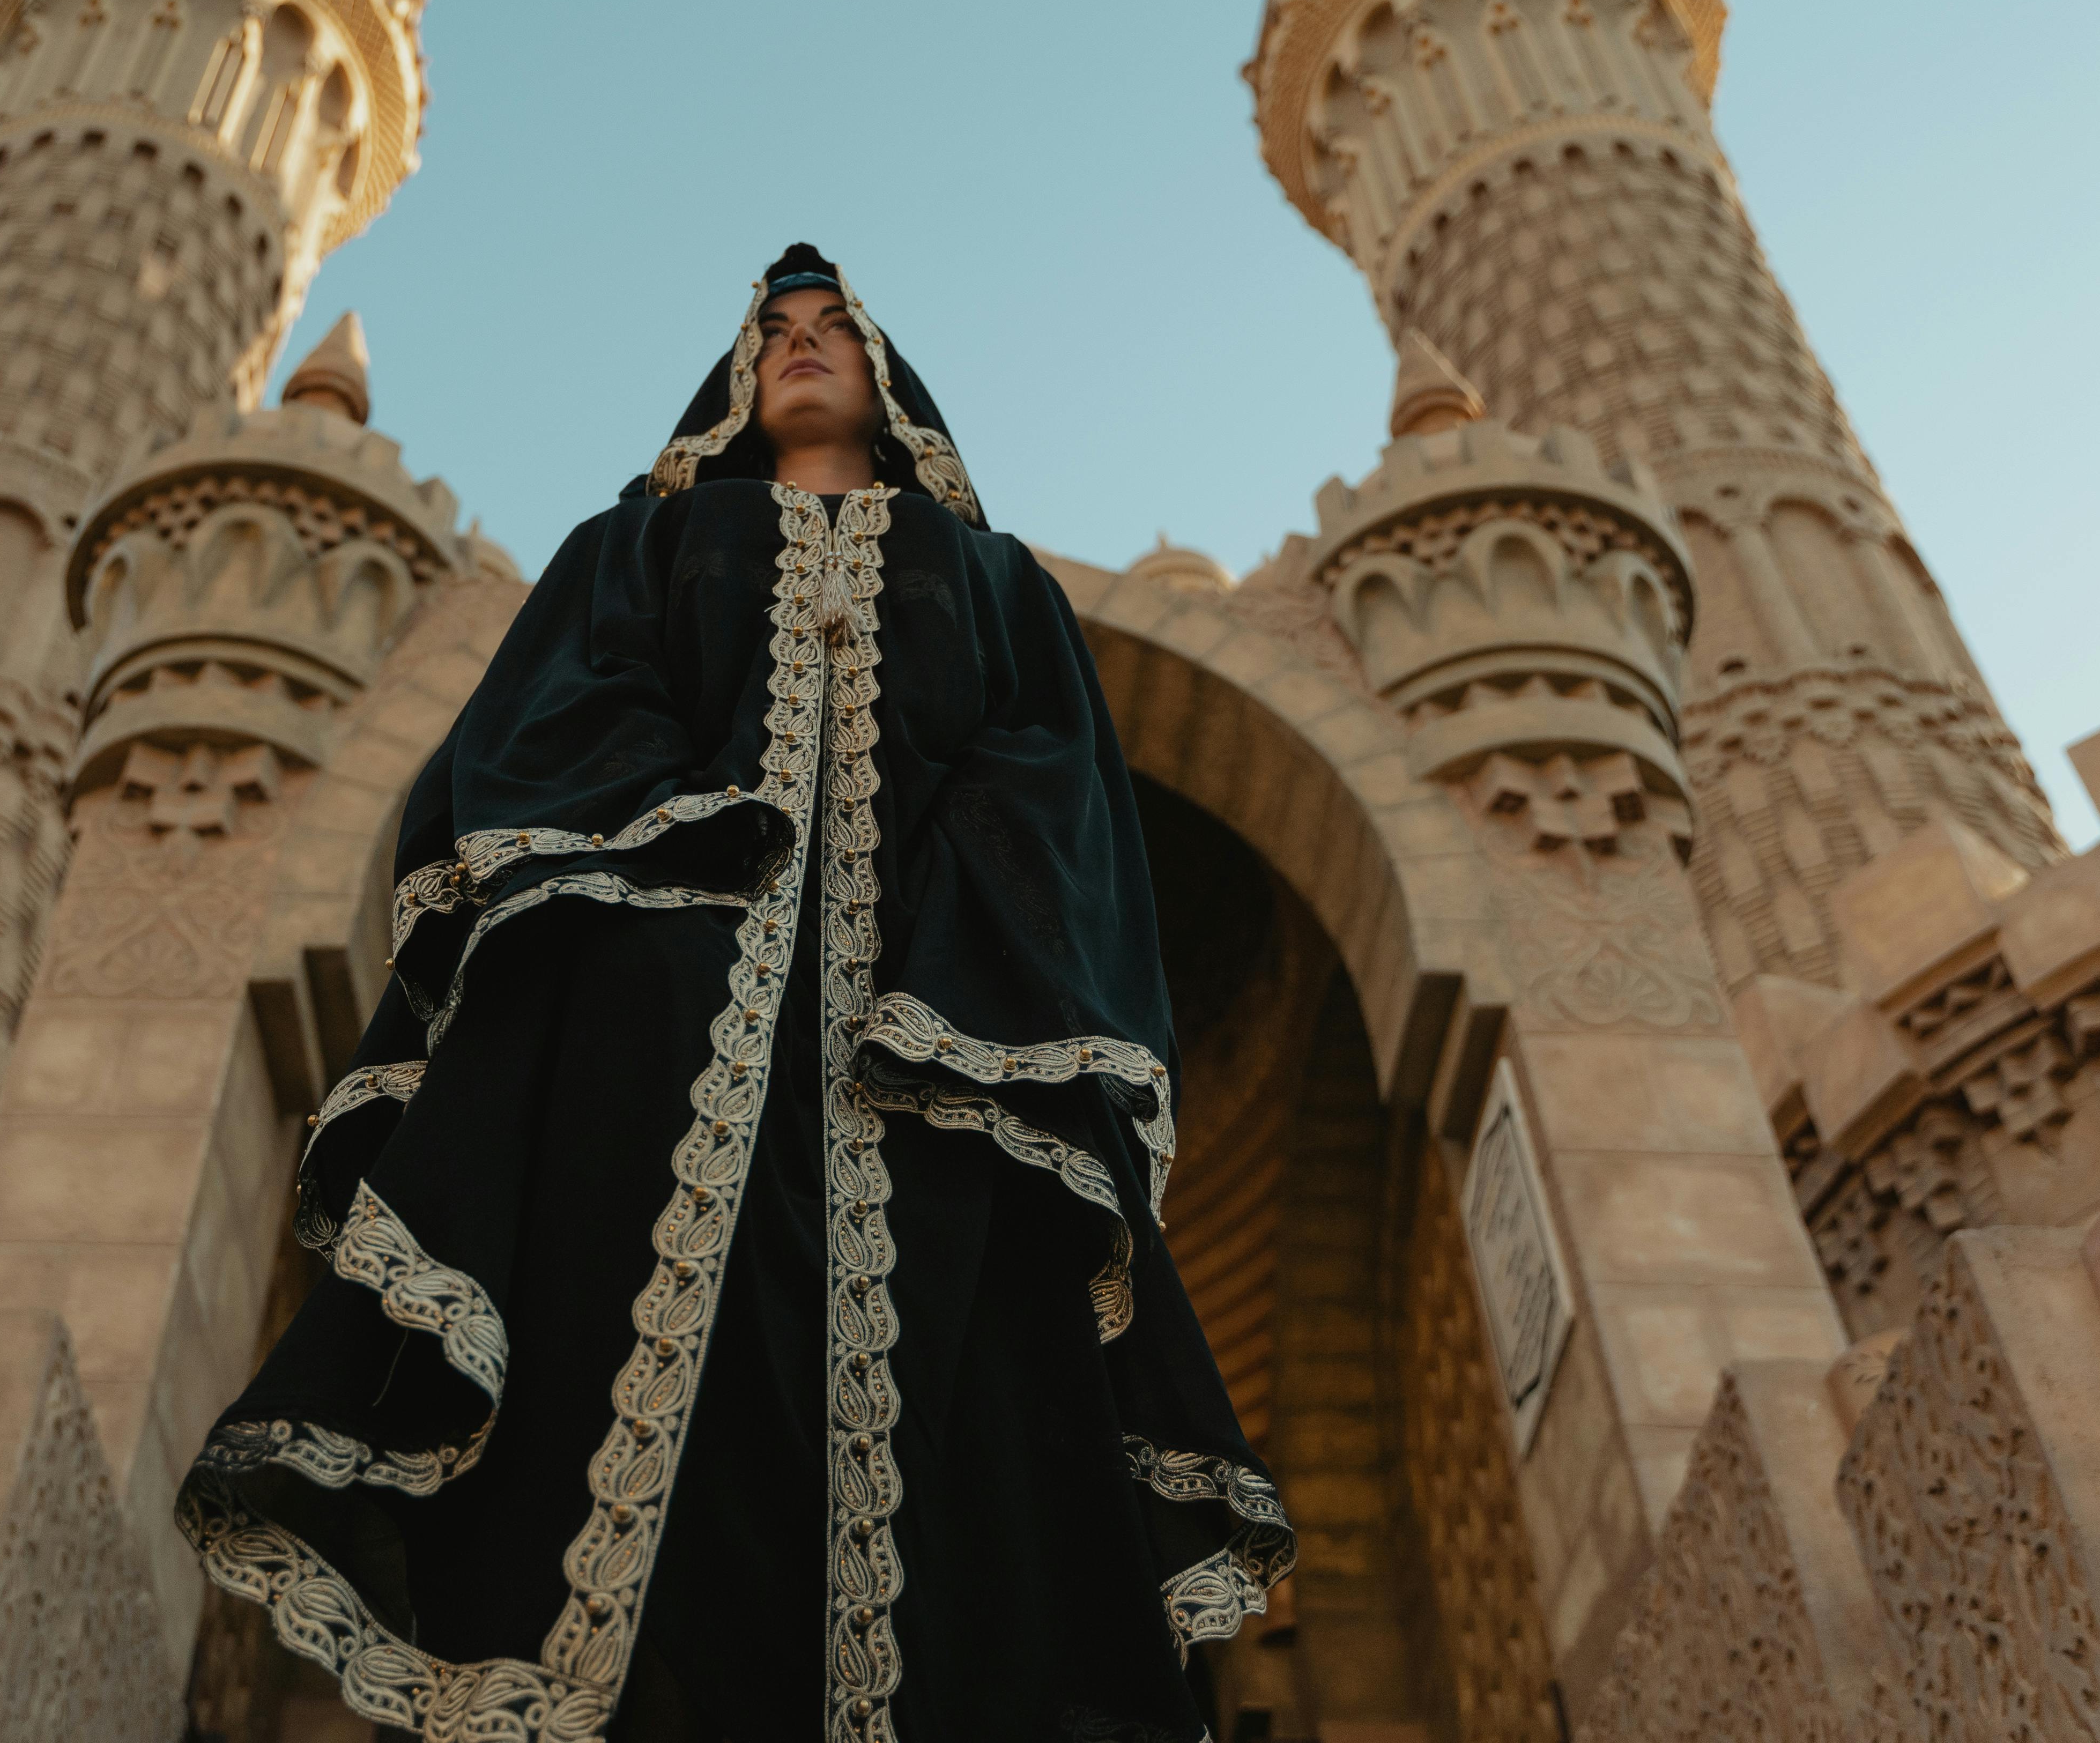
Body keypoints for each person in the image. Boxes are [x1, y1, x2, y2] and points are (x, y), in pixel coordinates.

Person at [181, 246, 1289, 1742]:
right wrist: (678, 865)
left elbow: (1048, 780)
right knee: (636, 1406)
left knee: (952, 1408)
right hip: (663, 1039)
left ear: (894, 386)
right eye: (777, 332)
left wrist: (951, 968)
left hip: (930, 1070)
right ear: (736, 378)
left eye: (839, 331)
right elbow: (556, 720)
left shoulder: (993, 578)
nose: (806, 347)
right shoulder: (637, 547)